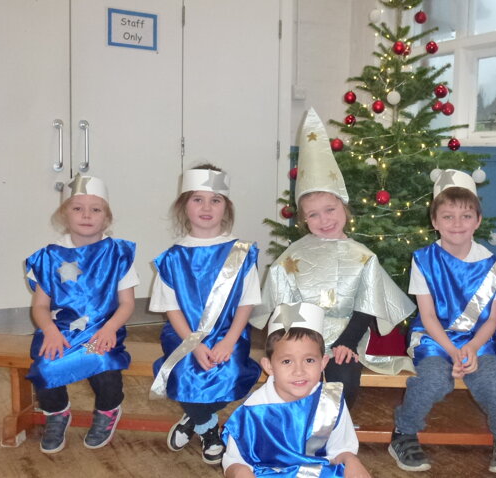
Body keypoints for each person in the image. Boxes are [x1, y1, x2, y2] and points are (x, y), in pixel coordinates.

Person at [252, 108, 416, 409]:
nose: (324, 220)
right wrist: (292, 349)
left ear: (344, 209)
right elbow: (282, 306)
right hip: (299, 338)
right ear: (303, 220)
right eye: (313, 215)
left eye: (330, 210)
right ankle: (295, 421)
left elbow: (367, 306)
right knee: (292, 379)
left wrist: (346, 343)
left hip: (345, 336)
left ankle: (332, 428)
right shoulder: (293, 256)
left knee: (344, 381)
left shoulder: (363, 256)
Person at [390, 169, 496, 475]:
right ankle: (403, 432)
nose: (457, 224)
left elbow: (491, 320)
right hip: (435, 338)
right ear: (434, 221)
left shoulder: (493, 264)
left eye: (465, 216)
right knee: (434, 379)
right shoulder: (423, 259)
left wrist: (471, 349)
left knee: (493, 380)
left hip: (479, 339)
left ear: (478, 220)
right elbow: (428, 316)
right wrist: (452, 351)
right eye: (448, 217)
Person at [149, 163, 262, 465]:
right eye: (197, 199)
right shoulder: (172, 257)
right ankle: (208, 426)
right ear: (184, 206)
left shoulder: (241, 252)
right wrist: (195, 345)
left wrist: (228, 341)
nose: (207, 207)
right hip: (183, 335)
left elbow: (246, 303)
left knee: (231, 373)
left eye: (215, 200)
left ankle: (194, 416)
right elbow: (172, 308)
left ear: (227, 207)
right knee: (183, 372)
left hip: (229, 332)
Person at [25, 174, 138, 454]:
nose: (86, 215)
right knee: (46, 365)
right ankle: (56, 413)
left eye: (95, 209)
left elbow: (127, 303)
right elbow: (40, 306)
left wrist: (110, 329)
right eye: (78, 208)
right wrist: (50, 331)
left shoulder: (117, 254)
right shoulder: (49, 257)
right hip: (61, 331)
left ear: (106, 218)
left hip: (101, 329)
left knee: (103, 362)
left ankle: (108, 410)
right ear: (65, 214)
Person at [222, 302, 371, 478]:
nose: (299, 371)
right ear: (269, 366)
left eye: (309, 360)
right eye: (287, 361)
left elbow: (340, 451)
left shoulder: (331, 402)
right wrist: (240, 471)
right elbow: (235, 462)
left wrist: (351, 460)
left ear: (323, 363)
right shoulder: (253, 410)